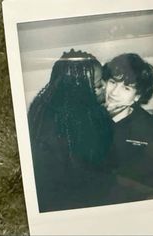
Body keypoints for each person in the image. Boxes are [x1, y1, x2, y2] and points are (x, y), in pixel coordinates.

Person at [28, 49, 114, 212]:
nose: (105, 86)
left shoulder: (83, 113)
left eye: (102, 79)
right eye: (97, 85)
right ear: (78, 91)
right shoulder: (59, 125)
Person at [102, 53, 153, 203]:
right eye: (112, 82)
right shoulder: (87, 119)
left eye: (127, 88)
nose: (114, 92)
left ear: (137, 96)